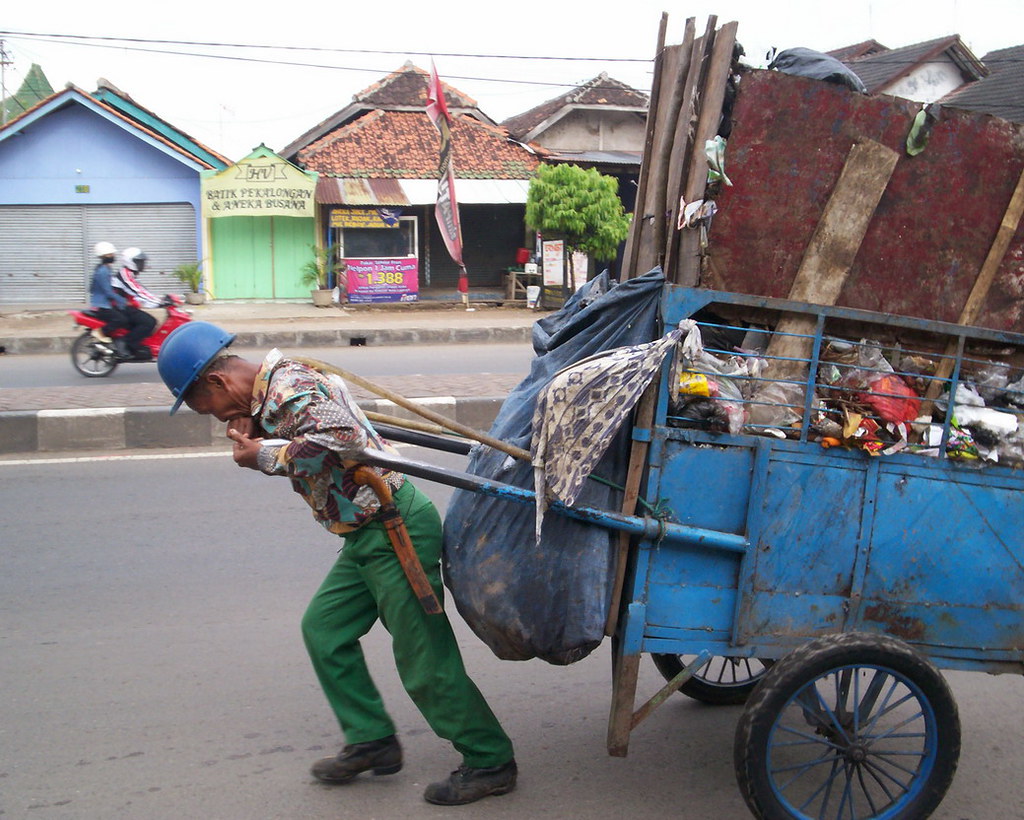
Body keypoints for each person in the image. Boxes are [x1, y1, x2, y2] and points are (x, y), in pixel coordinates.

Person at [156, 321, 517, 807]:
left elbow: (344, 437)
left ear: (217, 382)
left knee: (421, 654)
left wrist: (264, 455)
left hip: (392, 526)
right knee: (324, 630)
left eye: (206, 406)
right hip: (365, 531)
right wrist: (256, 429)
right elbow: (310, 433)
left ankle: (490, 759)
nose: (213, 416)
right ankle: (372, 739)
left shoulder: (288, 387)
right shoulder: (272, 397)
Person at [113, 247, 159, 360]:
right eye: (139, 261)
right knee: (149, 322)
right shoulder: (125, 274)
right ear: (131, 262)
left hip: (124, 306)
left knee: (144, 321)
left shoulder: (128, 273)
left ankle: (137, 346)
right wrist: (159, 302)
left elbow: (141, 290)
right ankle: (125, 343)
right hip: (119, 307)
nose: (142, 264)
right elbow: (138, 291)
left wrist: (160, 299)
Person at [87, 241, 130, 357]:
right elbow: (108, 292)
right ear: (103, 257)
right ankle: (101, 332)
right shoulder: (102, 271)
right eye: (110, 255)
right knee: (121, 320)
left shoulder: (104, 269)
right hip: (102, 306)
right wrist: (123, 301)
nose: (113, 257)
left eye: (112, 254)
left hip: (105, 304)